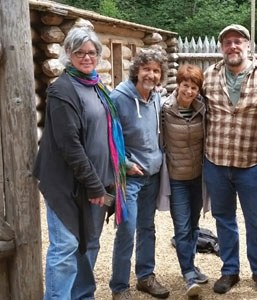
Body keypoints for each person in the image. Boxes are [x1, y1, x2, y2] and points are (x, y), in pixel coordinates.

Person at [33, 27, 124, 300]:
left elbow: (106, 133)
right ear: (68, 55)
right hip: (67, 184)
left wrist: (120, 166)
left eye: (92, 52)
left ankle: (83, 295)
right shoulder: (62, 90)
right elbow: (69, 145)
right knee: (66, 247)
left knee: (90, 243)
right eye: (80, 52)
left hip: (96, 181)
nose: (87, 57)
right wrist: (96, 186)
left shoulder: (97, 86)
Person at [201, 24, 257, 294]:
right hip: (216, 161)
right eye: (227, 42)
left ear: (248, 45)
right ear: (222, 48)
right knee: (224, 218)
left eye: (238, 41)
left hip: (251, 162)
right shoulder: (209, 75)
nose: (232, 46)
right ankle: (229, 269)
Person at [109, 50, 170, 300]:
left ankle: (145, 276)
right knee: (127, 229)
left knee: (147, 227)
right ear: (137, 70)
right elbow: (108, 137)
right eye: (147, 69)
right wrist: (124, 164)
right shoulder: (118, 98)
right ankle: (119, 287)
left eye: (156, 71)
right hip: (129, 178)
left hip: (152, 175)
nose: (151, 75)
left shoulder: (156, 98)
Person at [160, 64, 210, 297]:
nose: (189, 91)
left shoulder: (203, 108)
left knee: (193, 226)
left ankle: (191, 265)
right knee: (181, 227)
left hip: (198, 178)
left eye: (194, 87)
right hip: (177, 179)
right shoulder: (165, 109)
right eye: (185, 85)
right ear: (178, 85)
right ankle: (188, 273)